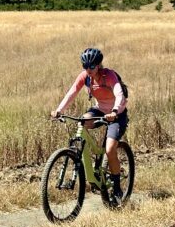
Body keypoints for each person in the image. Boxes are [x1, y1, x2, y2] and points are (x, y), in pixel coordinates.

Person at [50, 47, 128, 201]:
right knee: (83, 121)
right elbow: (72, 92)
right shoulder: (85, 77)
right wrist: (59, 110)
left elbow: (119, 94)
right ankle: (87, 157)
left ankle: (117, 186)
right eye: (85, 66)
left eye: (91, 66)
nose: (88, 70)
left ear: (98, 65)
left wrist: (114, 111)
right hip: (99, 109)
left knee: (110, 148)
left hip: (117, 114)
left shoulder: (109, 76)